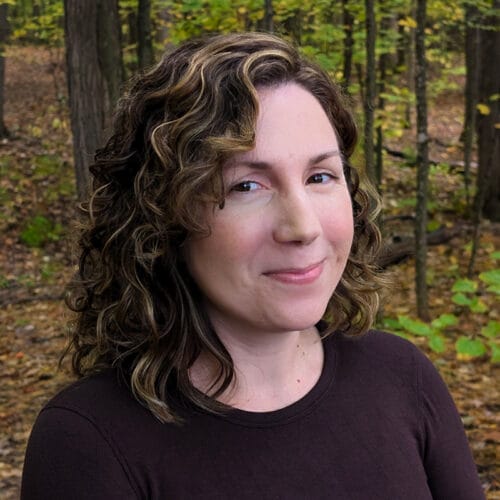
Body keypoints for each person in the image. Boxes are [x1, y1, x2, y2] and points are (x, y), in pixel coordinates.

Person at [21, 32, 484, 499]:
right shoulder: (88, 441)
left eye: (320, 176)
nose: (302, 226)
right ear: (161, 215)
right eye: (246, 186)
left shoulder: (402, 379)